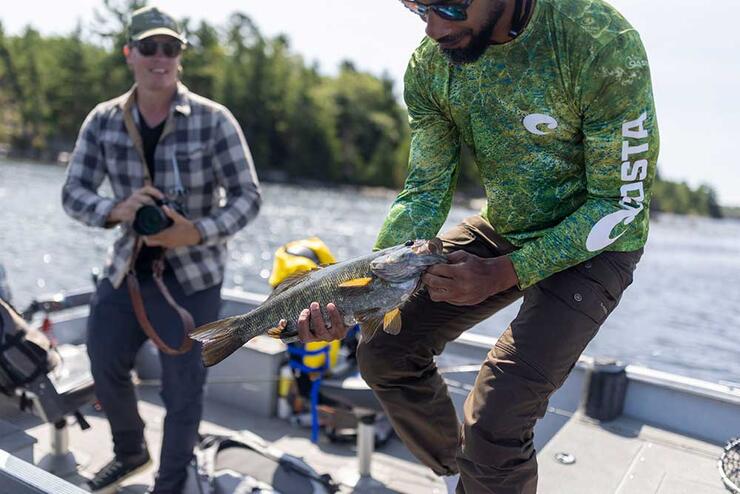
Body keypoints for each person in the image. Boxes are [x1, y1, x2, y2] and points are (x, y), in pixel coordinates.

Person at [297, 0, 658, 492]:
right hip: (505, 225)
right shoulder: (431, 64)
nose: (433, 25)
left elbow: (620, 204)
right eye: (415, 6)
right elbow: (425, 191)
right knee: (383, 349)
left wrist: (505, 272)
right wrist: (365, 291)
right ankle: (465, 472)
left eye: (448, 2)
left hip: (598, 243)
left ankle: (484, 465)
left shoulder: (598, 42)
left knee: (497, 417)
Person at [61, 6, 261, 493]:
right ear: (129, 53)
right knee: (103, 357)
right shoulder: (103, 120)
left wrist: (194, 232)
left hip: (194, 277)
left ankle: (170, 484)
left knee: (183, 388)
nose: (159, 58)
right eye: (148, 48)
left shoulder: (216, 121)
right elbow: (73, 194)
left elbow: (248, 198)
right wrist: (118, 208)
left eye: (169, 48)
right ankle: (131, 451)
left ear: (179, 57)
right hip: (128, 269)